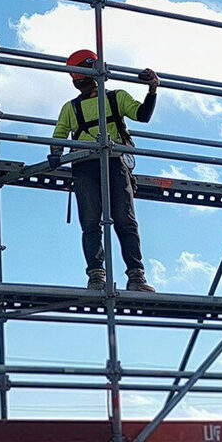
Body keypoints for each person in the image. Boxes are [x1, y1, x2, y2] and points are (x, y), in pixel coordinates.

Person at [48, 49, 159, 292]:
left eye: (78, 76)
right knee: (92, 222)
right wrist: (56, 153)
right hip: (86, 164)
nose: (77, 81)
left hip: (113, 161)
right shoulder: (71, 108)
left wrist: (152, 89)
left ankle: (134, 275)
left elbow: (142, 115)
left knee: (123, 220)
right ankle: (98, 275)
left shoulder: (115, 98)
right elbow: (58, 135)